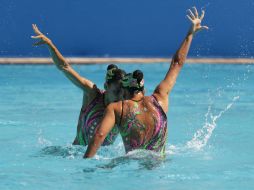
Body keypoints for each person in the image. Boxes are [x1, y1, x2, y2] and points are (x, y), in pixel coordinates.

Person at [84, 7, 208, 158]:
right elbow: (177, 63)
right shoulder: (160, 98)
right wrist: (190, 35)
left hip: (131, 167)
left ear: (124, 91)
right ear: (142, 88)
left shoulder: (117, 108)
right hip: (158, 168)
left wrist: (86, 164)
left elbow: (99, 135)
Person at [31, 25, 126, 146]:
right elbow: (65, 67)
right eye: (117, 92)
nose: (121, 98)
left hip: (103, 161)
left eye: (124, 93)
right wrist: (50, 44)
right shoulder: (92, 94)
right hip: (76, 156)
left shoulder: (125, 107)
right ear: (106, 86)